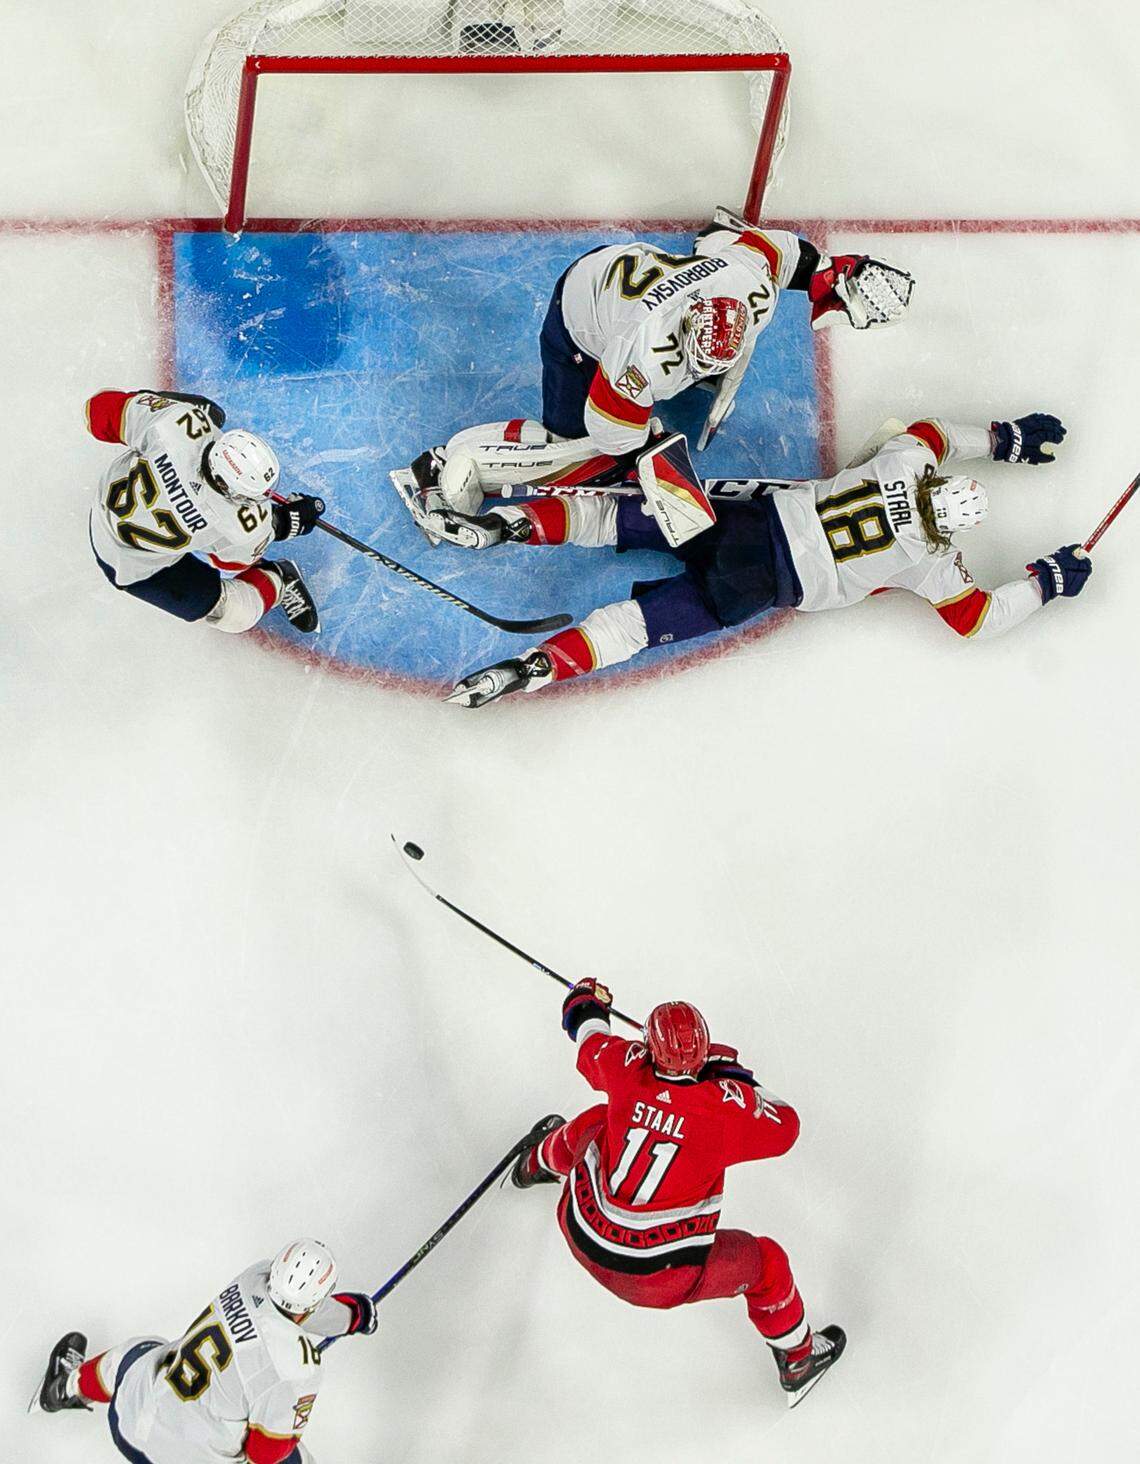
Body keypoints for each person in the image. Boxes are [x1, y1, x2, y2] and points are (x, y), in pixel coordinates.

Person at [427, 410, 1091, 706]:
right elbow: (978, 620)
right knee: (630, 629)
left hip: (745, 527)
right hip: (761, 589)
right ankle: (536, 666)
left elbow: (931, 433)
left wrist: (1002, 439)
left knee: (608, 514)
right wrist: (1046, 581)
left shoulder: (908, 463)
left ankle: (509, 525)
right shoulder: (933, 564)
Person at [513, 980, 844, 1407]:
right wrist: (735, 1078)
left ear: (649, 1048)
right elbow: (786, 1126)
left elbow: (589, 1037)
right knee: (767, 1264)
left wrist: (585, 1002)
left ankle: (533, 1163)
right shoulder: (722, 1110)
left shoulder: (627, 1067)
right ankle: (798, 1359)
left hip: (578, 1227)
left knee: (596, 1120)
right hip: (660, 1279)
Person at [538, 208, 913, 455]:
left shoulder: (750, 286)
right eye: (701, 366)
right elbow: (609, 434)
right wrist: (646, 443)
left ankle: (716, 239)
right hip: (579, 305)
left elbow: (779, 249)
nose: (702, 371)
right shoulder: (641, 355)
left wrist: (833, 274)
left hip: (633, 265)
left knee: (722, 259)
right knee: (573, 439)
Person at [34, 1238, 377, 1463]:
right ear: (318, 1300)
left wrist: (352, 1315)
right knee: (294, 1457)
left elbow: (285, 1315)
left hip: (128, 1421)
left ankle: (62, 1389)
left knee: (141, 1352)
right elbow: (263, 1454)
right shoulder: (297, 1371)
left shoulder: (254, 1275)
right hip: (187, 1457)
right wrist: (356, 1314)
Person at [86, 388, 325, 635]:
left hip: (105, 511)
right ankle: (279, 579)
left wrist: (155, 406)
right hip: (133, 567)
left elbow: (97, 410)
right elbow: (231, 562)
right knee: (238, 615)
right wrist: (283, 523)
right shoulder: (243, 528)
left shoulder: (174, 424)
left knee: (149, 419)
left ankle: (168, 406)